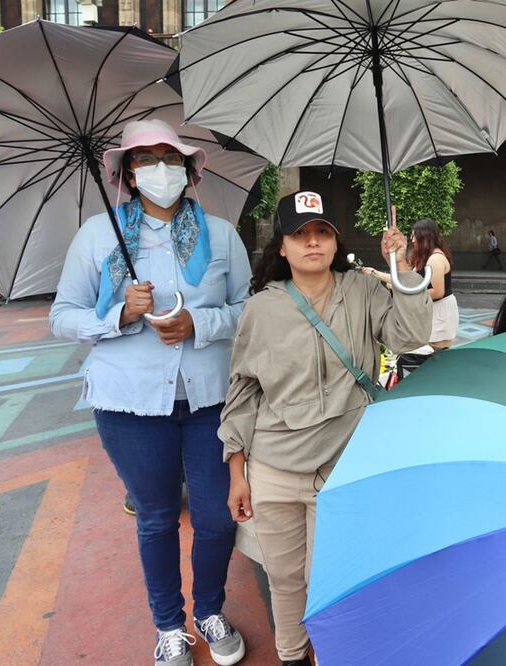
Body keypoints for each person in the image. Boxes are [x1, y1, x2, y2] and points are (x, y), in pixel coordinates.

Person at [49, 119, 250, 666]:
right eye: (144, 159)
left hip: (210, 400)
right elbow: (61, 317)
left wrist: (198, 325)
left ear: (189, 170)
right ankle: (169, 625)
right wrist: (118, 314)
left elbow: (248, 311)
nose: (159, 168)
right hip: (129, 404)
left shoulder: (223, 234)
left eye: (169, 157)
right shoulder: (98, 235)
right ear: (128, 174)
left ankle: (209, 609)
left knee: (215, 517)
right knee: (158, 518)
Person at [220, 192, 431, 666]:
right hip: (274, 469)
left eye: (321, 233)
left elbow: (409, 335)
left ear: (335, 243)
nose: (312, 242)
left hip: (342, 464)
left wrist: (402, 269)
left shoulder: (363, 291)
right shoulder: (261, 309)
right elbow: (243, 394)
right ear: (283, 247)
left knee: (335, 576)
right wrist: (238, 473)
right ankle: (292, 655)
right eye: (300, 235)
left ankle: (337, 655)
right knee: (285, 577)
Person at [364, 217, 458, 378]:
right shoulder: (423, 258)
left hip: (438, 311)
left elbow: (437, 291)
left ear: (425, 237)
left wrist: (409, 294)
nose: (412, 240)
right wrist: (376, 274)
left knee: (436, 355)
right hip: (426, 308)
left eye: (415, 236)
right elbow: (405, 281)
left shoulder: (435, 259)